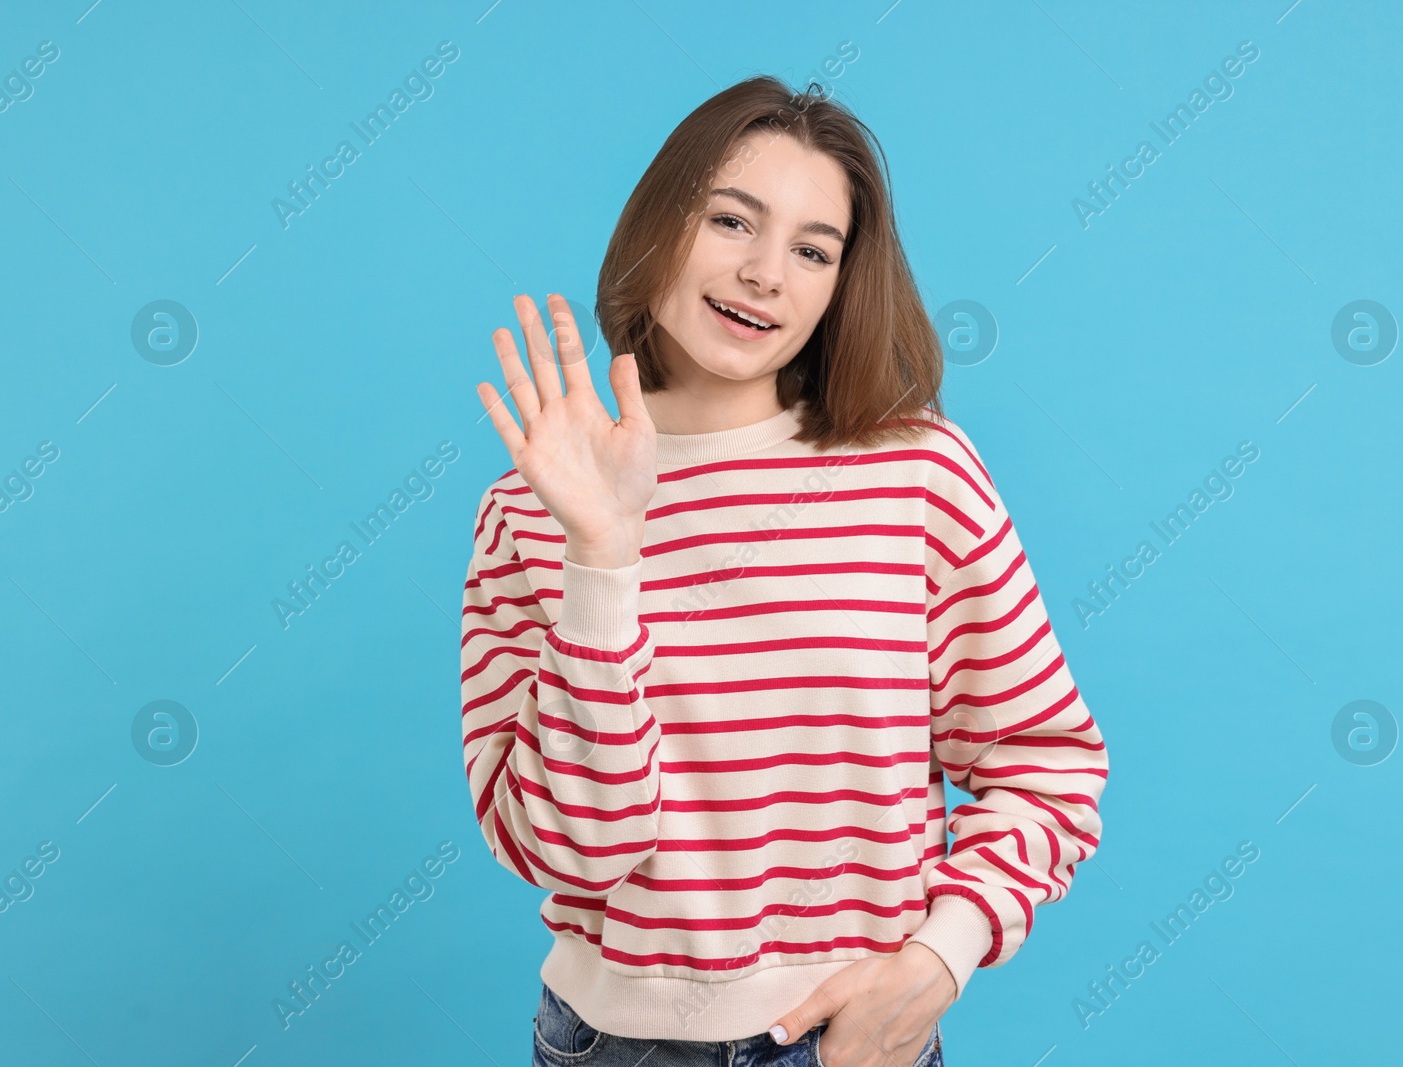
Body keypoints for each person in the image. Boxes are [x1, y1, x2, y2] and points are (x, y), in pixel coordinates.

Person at [461, 75, 1108, 1067]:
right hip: (609, 1044)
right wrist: (601, 554)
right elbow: (569, 850)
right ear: (658, 228)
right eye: (731, 221)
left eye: (813, 249)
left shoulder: (916, 472)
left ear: (841, 283)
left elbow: (1045, 762)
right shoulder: (533, 508)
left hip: (846, 1039)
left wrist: (938, 957)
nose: (766, 272)